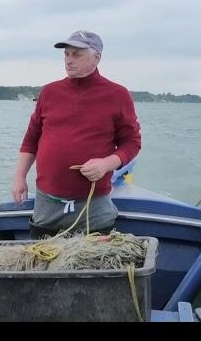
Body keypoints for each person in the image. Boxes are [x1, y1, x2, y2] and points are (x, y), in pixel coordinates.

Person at [11, 30, 141, 239]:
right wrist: (19, 177)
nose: (69, 60)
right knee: (42, 266)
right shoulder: (49, 92)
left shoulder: (118, 94)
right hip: (47, 205)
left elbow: (132, 142)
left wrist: (106, 164)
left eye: (77, 55)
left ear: (96, 57)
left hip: (93, 207)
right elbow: (31, 139)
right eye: (67, 54)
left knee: (92, 269)